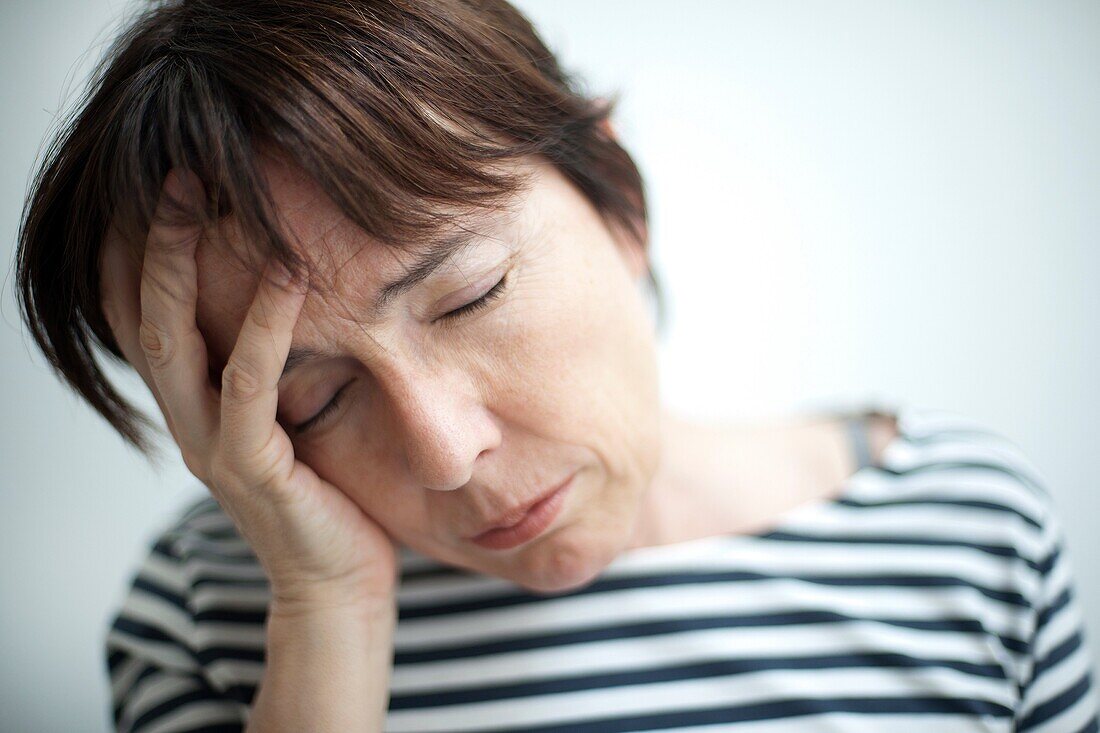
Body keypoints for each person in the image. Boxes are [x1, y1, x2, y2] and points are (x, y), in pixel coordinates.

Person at [14, 0, 1098, 731]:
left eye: (470, 295)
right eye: (315, 401)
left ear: (616, 197)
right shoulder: (212, 613)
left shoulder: (965, 528)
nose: (445, 452)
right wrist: (325, 614)